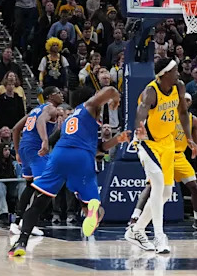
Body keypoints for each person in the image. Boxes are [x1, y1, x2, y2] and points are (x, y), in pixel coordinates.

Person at [8, 86, 123, 257]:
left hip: (59, 155)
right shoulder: (88, 107)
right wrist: (116, 99)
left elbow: (100, 148)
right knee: (95, 207)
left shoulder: (71, 118)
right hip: (81, 158)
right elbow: (111, 89)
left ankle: (21, 242)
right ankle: (92, 209)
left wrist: (118, 139)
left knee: (39, 201)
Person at [125, 59, 187, 253]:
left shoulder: (179, 87)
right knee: (157, 183)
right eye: (175, 70)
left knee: (166, 193)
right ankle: (160, 237)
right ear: (164, 74)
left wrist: (190, 138)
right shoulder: (151, 91)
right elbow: (140, 111)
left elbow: (183, 113)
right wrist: (139, 127)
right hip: (147, 142)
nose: (178, 73)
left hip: (167, 143)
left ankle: (136, 230)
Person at [129, 92, 197, 234]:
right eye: (182, 99)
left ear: (190, 103)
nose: (185, 102)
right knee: (152, 186)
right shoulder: (167, 115)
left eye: (188, 100)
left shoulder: (192, 120)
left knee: (195, 187)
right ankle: (135, 218)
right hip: (163, 153)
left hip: (179, 156)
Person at [10, 86, 63, 237]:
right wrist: (45, 141)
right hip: (36, 149)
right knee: (44, 187)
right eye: (59, 93)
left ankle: (18, 222)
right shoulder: (50, 109)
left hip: (26, 148)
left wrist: (18, 151)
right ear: (51, 96)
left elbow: (15, 129)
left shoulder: (35, 109)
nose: (62, 95)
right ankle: (28, 221)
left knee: (30, 185)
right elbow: (41, 121)